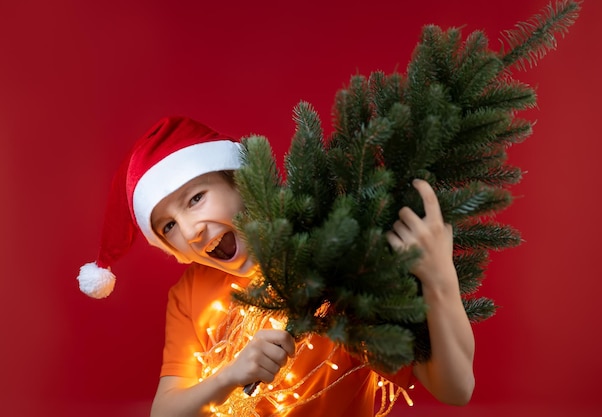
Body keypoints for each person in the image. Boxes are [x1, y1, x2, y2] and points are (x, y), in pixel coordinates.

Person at [77, 116, 475, 417]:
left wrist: (439, 279)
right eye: (168, 226)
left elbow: (455, 389)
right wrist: (229, 375)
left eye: (195, 198)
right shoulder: (189, 293)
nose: (191, 231)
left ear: (240, 181)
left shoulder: (337, 253)